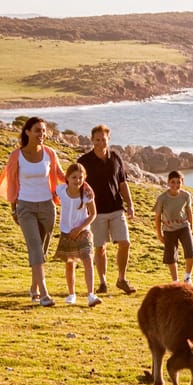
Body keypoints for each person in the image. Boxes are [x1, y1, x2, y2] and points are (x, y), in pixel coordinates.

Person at [0, 116, 64, 307]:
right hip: (25, 206)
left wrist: (82, 184)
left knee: (41, 251)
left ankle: (34, 288)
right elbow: (11, 184)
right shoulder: (16, 155)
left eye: (43, 131)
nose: (42, 134)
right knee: (34, 248)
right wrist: (13, 209)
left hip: (48, 207)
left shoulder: (50, 153)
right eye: (37, 130)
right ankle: (44, 294)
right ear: (27, 132)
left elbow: (61, 176)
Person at [77, 125, 136, 295]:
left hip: (117, 208)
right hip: (96, 211)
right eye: (97, 139)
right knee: (100, 247)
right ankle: (102, 282)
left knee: (125, 243)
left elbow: (123, 183)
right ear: (92, 140)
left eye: (104, 139)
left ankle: (121, 279)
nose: (101, 142)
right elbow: (78, 185)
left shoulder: (116, 157)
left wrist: (130, 204)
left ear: (108, 139)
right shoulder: (84, 162)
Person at [53, 163, 102, 307]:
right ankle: (71, 294)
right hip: (66, 232)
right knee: (70, 264)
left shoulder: (86, 195)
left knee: (87, 259)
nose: (77, 180)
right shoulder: (61, 190)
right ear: (67, 178)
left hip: (83, 231)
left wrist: (80, 228)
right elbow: (52, 194)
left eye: (81, 178)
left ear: (85, 178)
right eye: (74, 177)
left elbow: (93, 214)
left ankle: (91, 295)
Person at [153, 170, 193, 283]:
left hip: (184, 227)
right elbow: (157, 217)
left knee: (190, 252)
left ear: (182, 183)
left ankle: (187, 278)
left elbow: (189, 211)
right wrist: (159, 234)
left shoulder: (186, 195)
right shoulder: (162, 199)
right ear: (168, 183)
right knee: (171, 257)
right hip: (169, 230)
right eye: (173, 182)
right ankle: (175, 281)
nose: (176, 185)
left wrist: (191, 226)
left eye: (178, 182)